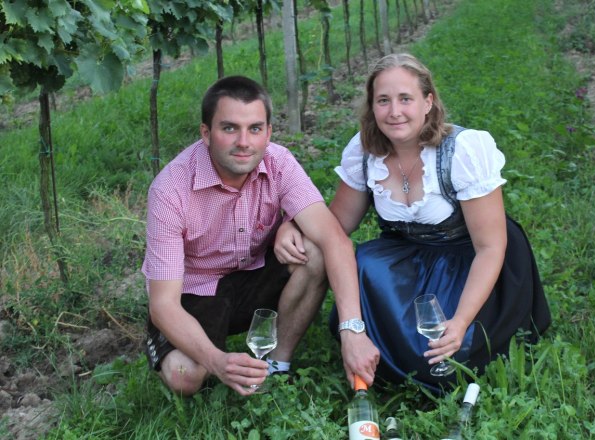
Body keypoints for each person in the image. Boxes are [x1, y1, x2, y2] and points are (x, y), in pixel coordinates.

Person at [275, 54, 551, 392]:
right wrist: (293, 223)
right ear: (372, 107)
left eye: (405, 98)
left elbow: (490, 247)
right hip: (408, 256)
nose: (394, 112)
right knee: (361, 263)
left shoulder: (462, 150)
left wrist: (461, 321)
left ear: (428, 102)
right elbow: (335, 225)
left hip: (468, 261)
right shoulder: (365, 152)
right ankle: (367, 344)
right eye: (383, 101)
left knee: (443, 361)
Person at [142, 75, 379, 396]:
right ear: (206, 133)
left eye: (254, 129)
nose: (244, 142)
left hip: (255, 276)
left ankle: (277, 366)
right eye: (229, 128)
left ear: (268, 132)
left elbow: (333, 238)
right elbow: (163, 305)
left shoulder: (279, 162)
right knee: (185, 377)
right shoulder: (170, 190)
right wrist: (216, 361)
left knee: (316, 250)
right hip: (196, 291)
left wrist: (352, 329)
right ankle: (207, 354)